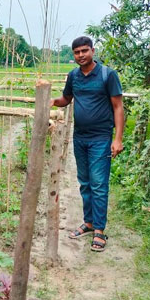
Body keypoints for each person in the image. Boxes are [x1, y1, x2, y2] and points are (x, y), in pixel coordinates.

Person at [51, 36, 124, 252]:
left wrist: (117, 139)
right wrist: (52, 100)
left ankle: (100, 230)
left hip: (101, 138)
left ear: (92, 51)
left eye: (84, 51)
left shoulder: (107, 75)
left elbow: (118, 107)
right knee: (84, 182)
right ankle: (89, 223)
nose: (81, 55)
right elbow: (67, 99)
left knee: (99, 184)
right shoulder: (73, 76)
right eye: (76, 52)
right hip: (80, 137)